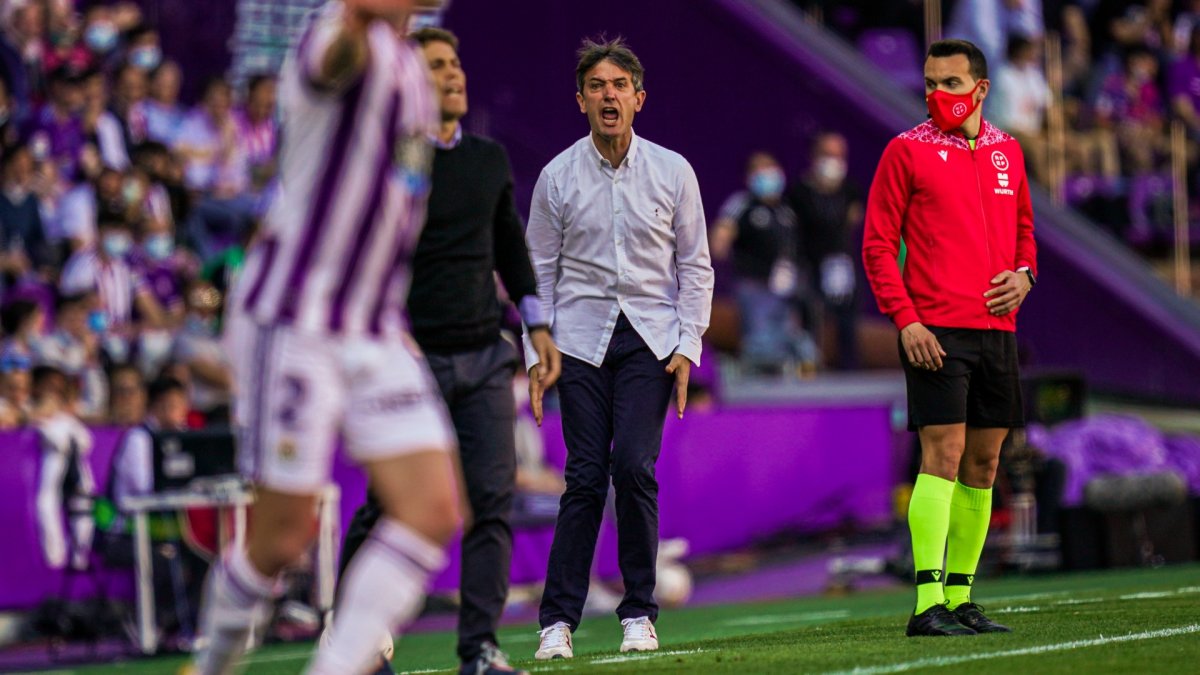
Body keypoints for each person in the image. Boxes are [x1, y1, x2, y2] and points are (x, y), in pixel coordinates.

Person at [187, 2, 460, 674]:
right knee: (281, 536)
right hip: (296, 317)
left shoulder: (409, 63)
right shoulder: (338, 41)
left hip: (371, 325)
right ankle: (212, 661)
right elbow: (337, 56)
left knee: (433, 507)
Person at [331, 26, 556, 675]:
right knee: (386, 506)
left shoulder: (488, 158)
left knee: (493, 500)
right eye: (434, 66)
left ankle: (479, 648)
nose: (452, 74)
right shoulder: (388, 164)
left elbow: (510, 245)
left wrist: (538, 325)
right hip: (412, 359)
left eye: (454, 63)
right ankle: (355, 639)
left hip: (487, 352)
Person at [527, 37, 713, 659]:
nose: (609, 95)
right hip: (578, 342)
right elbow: (537, 271)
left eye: (620, 85)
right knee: (583, 477)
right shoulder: (556, 176)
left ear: (640, 97)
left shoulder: (674, 171)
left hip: (650, 342)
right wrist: (536, 354)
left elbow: (696, 266)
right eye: (597, 86)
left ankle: (639, 612)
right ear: (580, 100)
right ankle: (557, 622)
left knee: (634, 468)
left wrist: (688, 347)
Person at [862, 38, 1036, 637]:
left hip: (998, 331)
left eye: (951, 84)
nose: (939, 95)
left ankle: (961, 599)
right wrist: (906, 320)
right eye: (931, 83)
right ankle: (925, 603)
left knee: (985, 464)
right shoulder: (904, 151)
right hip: (936, 331)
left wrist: (1025, 276)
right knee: (943, 457)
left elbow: (1025, 236)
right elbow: (878, 246)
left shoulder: (1009, 152)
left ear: (981, 89)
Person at [711, 152, 814, 374]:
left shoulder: (786, 209)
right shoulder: (743, 204)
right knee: (761, 344)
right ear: (750, 177)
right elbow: (723, 233)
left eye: (771, 169)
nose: (768, 175)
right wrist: (720, 241)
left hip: (786, 288)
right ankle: (754, 388)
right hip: (754, 287)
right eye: (761, 170)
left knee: (790, 339)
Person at [787, 132, 864, 371]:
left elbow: (853, 219)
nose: (834, 160)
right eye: (828, 154)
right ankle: (810, 368)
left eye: (839, 155)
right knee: (809, 318)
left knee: (847, 321)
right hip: (808, 265)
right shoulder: (798, 192)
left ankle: (849, 368)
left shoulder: (849, 190)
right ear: (815, 156)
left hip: (841, 265)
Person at [31, 365, 95, 571]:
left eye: (58, 390)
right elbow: (50, 438)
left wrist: (68, 436)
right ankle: (55, 555)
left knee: (84, 507)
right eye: (49, 388)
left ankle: (80, 557)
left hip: (77, 468)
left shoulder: (68, 420)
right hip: (54, 466)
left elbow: (87, 441)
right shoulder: (37, 418)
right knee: (46, 504)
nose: (53, 395)